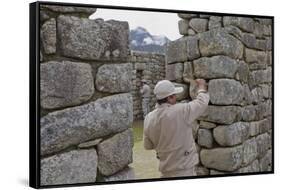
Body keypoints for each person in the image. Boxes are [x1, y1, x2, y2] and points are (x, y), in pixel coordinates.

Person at [143, 79, 209, 178]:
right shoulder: (180, 111)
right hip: (185, 171)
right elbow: (201, 103)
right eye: (174, 96)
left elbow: (148, 146)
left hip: (165, 173)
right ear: (170, 97)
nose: (176, 99)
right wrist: (202, 87)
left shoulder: (148, 118)